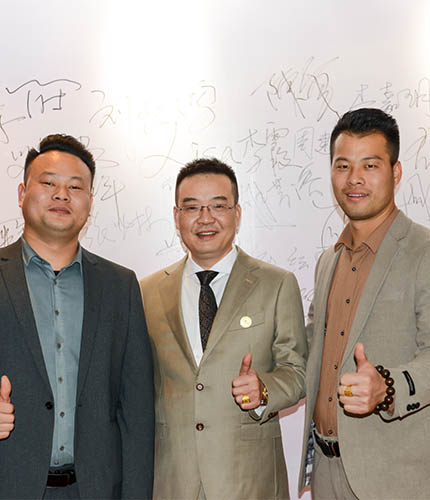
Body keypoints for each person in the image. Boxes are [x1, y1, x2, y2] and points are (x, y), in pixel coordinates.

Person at [140, 158, 307, 500]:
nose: (205, 218)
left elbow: (298, 372)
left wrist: (264, 390)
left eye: (218, 206)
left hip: (250, 480)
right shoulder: (146, 292)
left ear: (237, 213)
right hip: (173, 481)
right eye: (192, 208)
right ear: (177, 217)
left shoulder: (276, 284)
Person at [0, 134, 154, 499]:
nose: (61, 195)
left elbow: (136, 413)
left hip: (94, 489)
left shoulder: (120, 286)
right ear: (22, 193)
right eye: (48, 183)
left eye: (75, 187)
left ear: (90, 202)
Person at [299, 108, 430, 499]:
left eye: (369, 165)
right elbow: (311, 351)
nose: (354, 178)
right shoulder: (328, 261)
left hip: (394, 478)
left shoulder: (423, 252)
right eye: (343, 166)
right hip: (326, 472)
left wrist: (387, 387)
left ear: (396, 172)